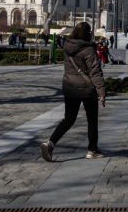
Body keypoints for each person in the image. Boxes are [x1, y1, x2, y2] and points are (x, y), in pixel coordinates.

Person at [41, 22, 106, 161]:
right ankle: (92, 150)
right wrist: (101, 92)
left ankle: (50, 143)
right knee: (92, 120)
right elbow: (95, 72)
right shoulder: (88, 50)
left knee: (69, 119)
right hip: (87, 89)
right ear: (88, 34)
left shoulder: (67, 46)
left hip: (70, 87)